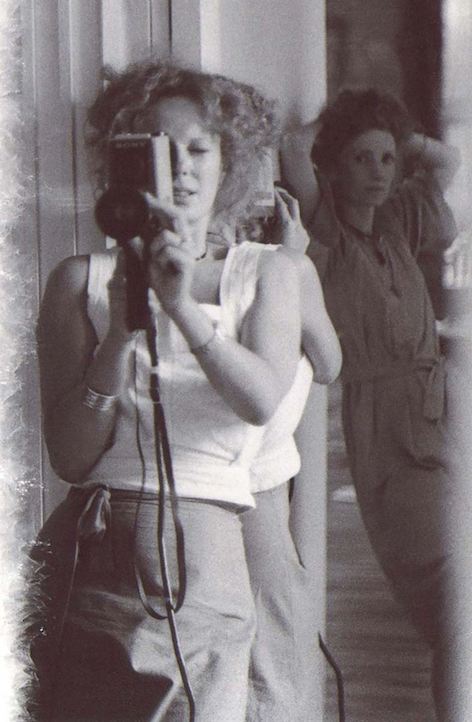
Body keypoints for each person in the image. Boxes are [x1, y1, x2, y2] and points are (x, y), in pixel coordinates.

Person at [29, 60, 309, 722]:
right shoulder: (78, 281)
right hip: (92, 551)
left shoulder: (267, 275)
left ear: (228, 161)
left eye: (198, 149)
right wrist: (119, 336)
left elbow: (260, 401)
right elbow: (69, 456)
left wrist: (182, 308)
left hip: (206, 556)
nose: (180, 169)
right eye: (158, 148)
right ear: (124, 159)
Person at [280, 87, 471, 721]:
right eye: (361, 158)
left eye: (387, 159)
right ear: (334, 166)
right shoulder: (324, 232)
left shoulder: (398, 223)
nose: (379, 172)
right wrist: (342, 119)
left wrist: (392, 128)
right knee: (455, 599)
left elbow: (445, 161)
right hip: (386, 430)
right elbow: (293, 147)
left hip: (447, 414)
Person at [242, 187, 342, 722]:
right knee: (274, 666)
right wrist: (292, 261)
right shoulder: (287, 271)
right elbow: (329, 363)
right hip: (256, 494)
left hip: (229, 492)